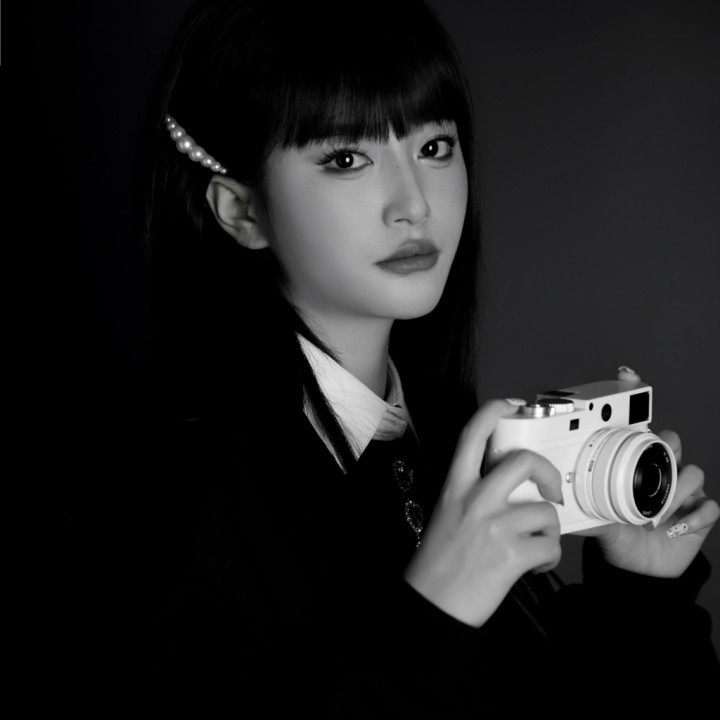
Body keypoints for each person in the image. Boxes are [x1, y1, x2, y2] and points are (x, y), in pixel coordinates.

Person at [58, 0, 718, 715]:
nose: (414, 204)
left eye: (434, 147)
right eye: (347, 159)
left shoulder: (443, 434)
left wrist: (644, 592)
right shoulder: (166, 491)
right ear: (241, 211)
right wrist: (435, 615)